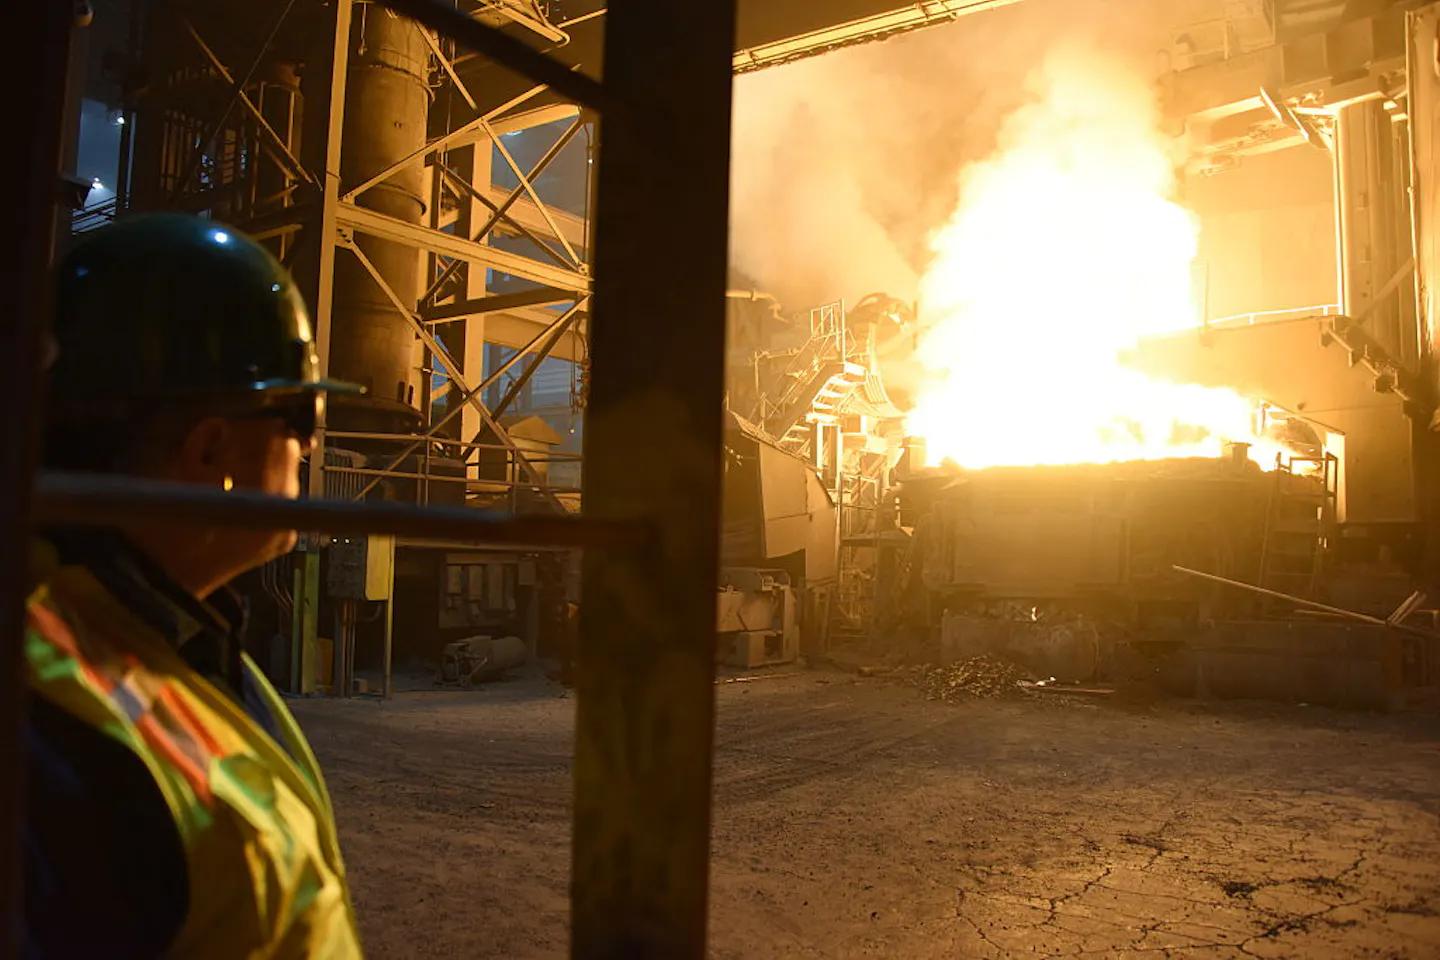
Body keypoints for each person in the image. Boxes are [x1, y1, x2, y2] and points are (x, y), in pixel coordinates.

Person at [23, 214, 366, 958]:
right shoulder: (53, 726)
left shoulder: (177, 632)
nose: (311, 443)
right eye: (298, 411)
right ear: (210, 446)